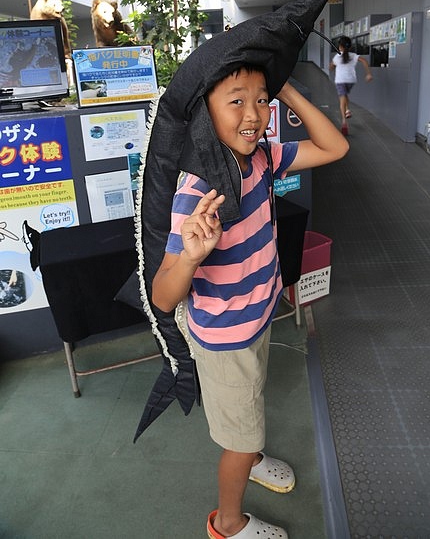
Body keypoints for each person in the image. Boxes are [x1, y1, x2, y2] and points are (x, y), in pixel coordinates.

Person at [151, 63, 348, 538]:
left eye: (262, 99)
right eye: (236, 99)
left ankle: (253, 456)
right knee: (240, 439)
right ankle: (228, 522)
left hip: (256, 319)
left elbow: (335, 147)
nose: (254, 112)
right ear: (205, 111)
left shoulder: (261, 158)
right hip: (225, 339)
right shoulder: (198, 190)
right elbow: (161, 294)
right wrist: (190, 258)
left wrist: (289, 93)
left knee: (252, 400)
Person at [329, 35, 372, 135]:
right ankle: (347, 110)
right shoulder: (353, 55)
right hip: (351, 81)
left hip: (340, 81)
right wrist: (368, 73)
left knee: (342, 100)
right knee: (345, 95)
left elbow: (331, 67)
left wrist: (331, 66)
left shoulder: (337, 56)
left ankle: (344, 122)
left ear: (340, 46)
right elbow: (364, 61)